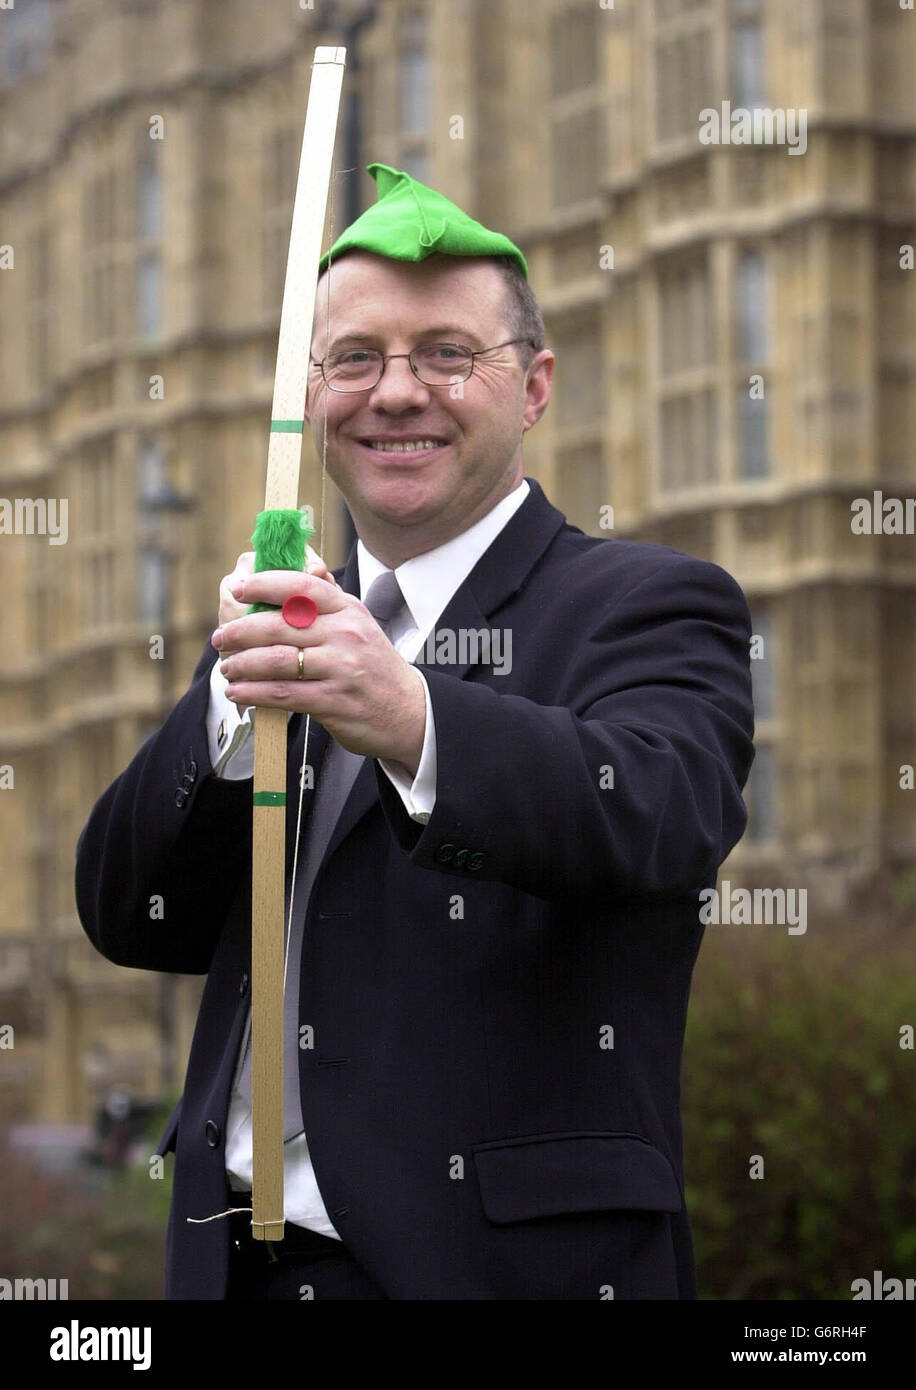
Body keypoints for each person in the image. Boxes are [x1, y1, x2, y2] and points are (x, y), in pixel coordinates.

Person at [75, 163, 755, 1300]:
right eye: (356, 358)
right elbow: (127, 912)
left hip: (492, 1269)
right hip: (233, 1266)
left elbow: (659, 813)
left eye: (448, 353)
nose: (397, 391)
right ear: (312, 395)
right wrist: (226, 710)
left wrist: (411, 717)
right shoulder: (279, 624)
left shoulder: (646, 601)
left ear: (533, 387)